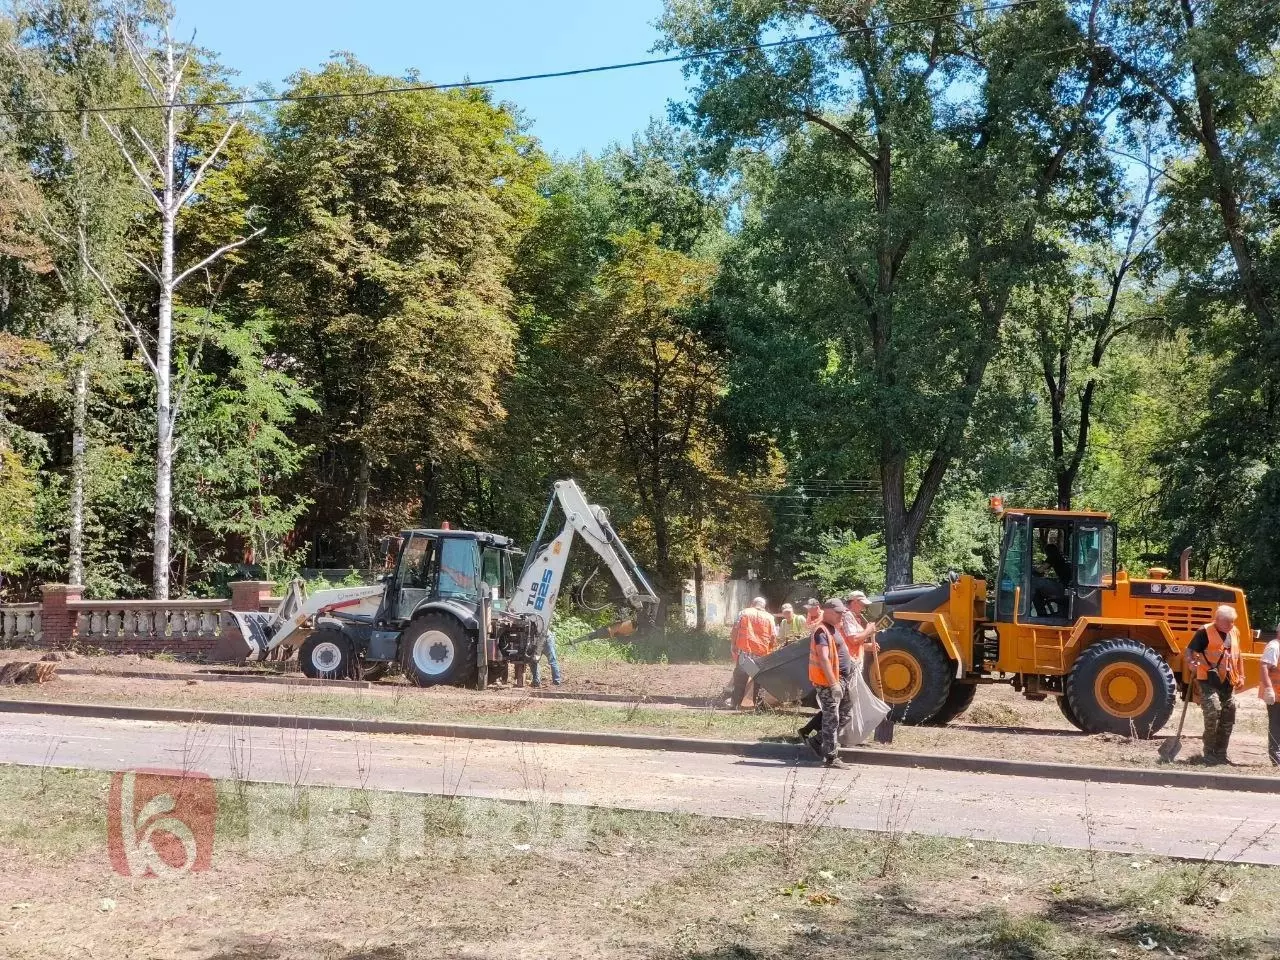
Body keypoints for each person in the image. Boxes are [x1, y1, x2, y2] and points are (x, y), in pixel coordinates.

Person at [1186, 604, 1246, 765]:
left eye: (1233, 622)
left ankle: (1221, 754)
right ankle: (1209, 753)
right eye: (1228, 622)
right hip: (1208, 679)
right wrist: (1191, 662)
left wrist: (1241, 675)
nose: (1231, 625)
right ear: (1217, 620)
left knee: (1228, 715)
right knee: (1213, 711)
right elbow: (1190, 650)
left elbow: (1238, 655)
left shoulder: (1234, 632)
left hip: (1228, 680)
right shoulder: (1204, 631)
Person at [806, 598, 851, 769]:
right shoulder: (821, 631)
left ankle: (816, 741)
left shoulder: (832, 628)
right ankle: (831, 757)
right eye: (839, 613)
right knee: (832, 718)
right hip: (828, 682)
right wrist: (833, 684)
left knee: (845, 714)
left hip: (840, 680)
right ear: (829, 611)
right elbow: (823, 658)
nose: (841, 616)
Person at [728, 597, 776, 709]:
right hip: (761, 653)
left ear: (752, 604)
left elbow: (735, 628)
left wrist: (733, 644)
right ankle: (757, 705)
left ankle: (735, 704)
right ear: (763, 606)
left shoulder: (744, 612)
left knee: (740, 678)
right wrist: (770, 650)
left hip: (745, 651)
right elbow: (773, 636)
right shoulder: (770, 617)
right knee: (758, 679)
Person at [1261, 625, 1280, 767]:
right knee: (1276, 725)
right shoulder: (1274, 647)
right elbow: (1264, 667)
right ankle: (1276, 758)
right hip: (1276, 695)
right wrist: (1269, 689)